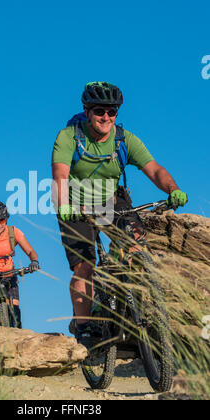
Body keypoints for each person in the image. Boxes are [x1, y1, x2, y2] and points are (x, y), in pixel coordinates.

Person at [52, 81, 188, 346]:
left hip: (112, 201)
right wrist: (63, 205)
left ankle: (135, 309)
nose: (106, 117)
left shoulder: (124, 139)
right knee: (84, 266)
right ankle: (85, 330)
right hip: (75, 206)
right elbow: (60, 175)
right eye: (100, 111)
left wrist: (173, 189)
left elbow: (155, 169)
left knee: (137, 247)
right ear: (87, 110)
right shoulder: (69, 137)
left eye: (112, 112)